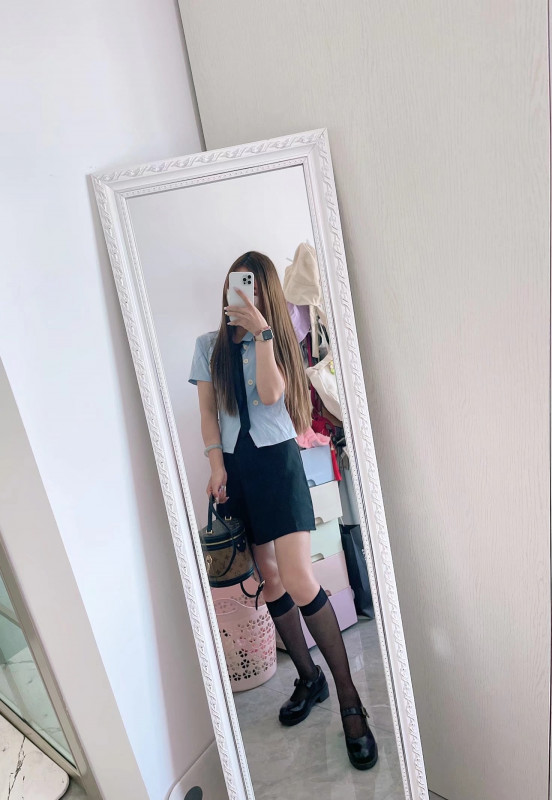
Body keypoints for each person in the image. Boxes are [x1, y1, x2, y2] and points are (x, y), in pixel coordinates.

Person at [189, 251, 378, 771]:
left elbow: (274, 396)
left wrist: (263, 334)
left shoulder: (277, 341)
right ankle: (309, 679)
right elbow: (207, 413)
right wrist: (215, 465)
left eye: (252, 286)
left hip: (278, 464)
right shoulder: (207, 347)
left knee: (297, 576)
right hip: (235, 469)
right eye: (237, 284)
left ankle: (349, 700)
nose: (243, 292)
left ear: (265, 293)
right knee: (270, 579)